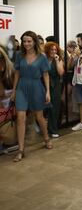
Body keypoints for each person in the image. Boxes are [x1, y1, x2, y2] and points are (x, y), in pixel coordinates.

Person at [11, 31, 52, 162]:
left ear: (34, 41)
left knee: (39, 117)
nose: (26, 43)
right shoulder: (19, 55)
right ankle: (21, 150)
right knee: (20, 117)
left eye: (29, 41)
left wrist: (47, 92)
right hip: (22, 87)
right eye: (24, 41)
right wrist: (14, 90)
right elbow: (17, 73)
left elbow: (45, 74)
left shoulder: (42, 57)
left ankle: (46, 138)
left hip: (36, 87)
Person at [44, 42, 64, 138]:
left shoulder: (59, 59)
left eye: (55, 49)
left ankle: (53, 129)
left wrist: (56, 61)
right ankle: (43, 128)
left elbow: (61, 72)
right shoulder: (43, 59)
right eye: (52, 49)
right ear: (47, 50)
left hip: (55, 85)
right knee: (43, 108)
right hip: (43, 84)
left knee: (54, 108)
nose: (54, 51)